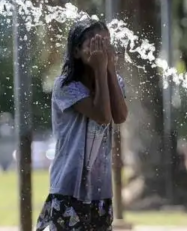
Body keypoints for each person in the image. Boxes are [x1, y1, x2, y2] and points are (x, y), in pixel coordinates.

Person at [35, 18, 128, 231]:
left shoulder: (115, 82)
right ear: (77, 52)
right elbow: (102, 116)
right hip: (68, 189)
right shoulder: (66, 86)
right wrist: (100, 69)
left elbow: (120, 116)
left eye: (106, 45)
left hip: (100, 191)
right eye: (95, 45)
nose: (101, 52)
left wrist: (110, 69)